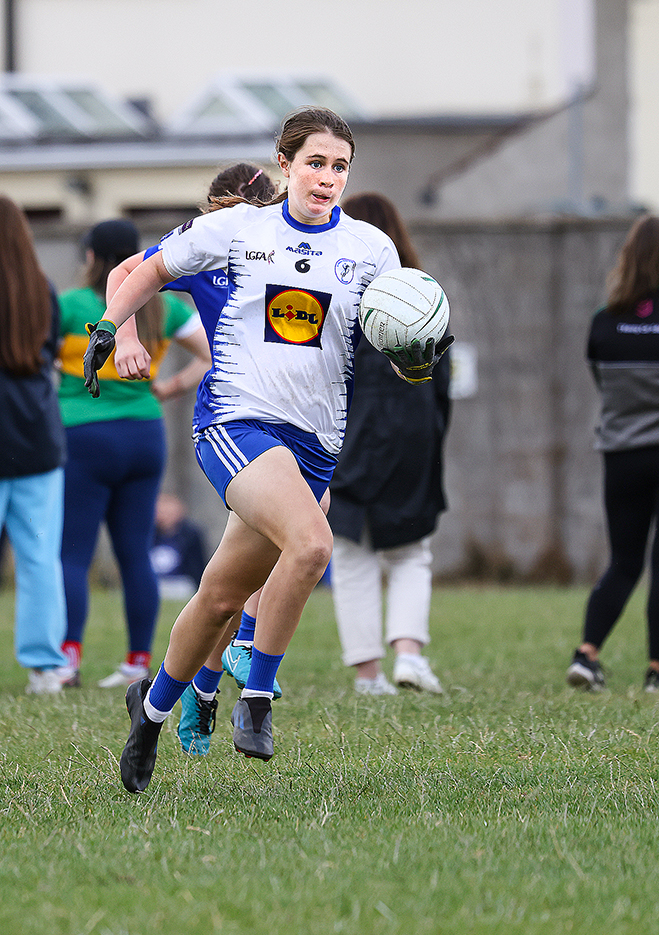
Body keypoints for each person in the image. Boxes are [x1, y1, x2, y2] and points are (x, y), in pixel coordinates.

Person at [84, 106, 452, 793]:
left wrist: (417, 356)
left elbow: (384, 338)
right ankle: (257, 700)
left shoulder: (372, 250)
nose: (328, 177)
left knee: (222, 596)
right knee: (313, 543)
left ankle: (152, 711)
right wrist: (114, 326)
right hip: (234, 423)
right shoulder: (236, 229)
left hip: (313, 444)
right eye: (315, 162)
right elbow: (149, 268)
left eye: (340, 166)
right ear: (285, 164)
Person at [105, 162, 285, 758]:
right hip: (237, 423)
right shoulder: (207, 247)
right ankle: (244, 663)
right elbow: (127, 272)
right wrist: (125, 337)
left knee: (228, 584)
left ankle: (186, 691)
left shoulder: (292, 249)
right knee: (303, 530)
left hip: (292, 420)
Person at [57, 219, 212, 689]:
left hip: (82, 435)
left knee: (73, 555)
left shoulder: (70, 306)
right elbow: (212, 354)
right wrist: (168, 389)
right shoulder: (162, 307)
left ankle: (67, 659)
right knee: (136, 554)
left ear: (89, 258)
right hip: (145, 435)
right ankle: (138, 660)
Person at [566, 214, 659, 693]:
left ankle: (587, 654)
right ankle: (658, 672)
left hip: (620, 455)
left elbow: (603, 385)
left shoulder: (604, 321)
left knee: (623, 561)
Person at [329, 192, 451, 695]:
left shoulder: (337, 298)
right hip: (413, 433)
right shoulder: (424, 294)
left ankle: (367, 673)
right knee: (410, 552)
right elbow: (442, 379)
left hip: (349, 436)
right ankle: (409, 656)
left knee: (352, 555)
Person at [0, 194, 69, 692]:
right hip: (37, 437)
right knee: (40, 556)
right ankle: (44, 667)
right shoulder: (41, 289)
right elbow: (49, 358)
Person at [149, 492, 207, 601]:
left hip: (181, 583)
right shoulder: (150, 534)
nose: (164, 514)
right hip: (156, 581)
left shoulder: (190, 534)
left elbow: (198, 565)